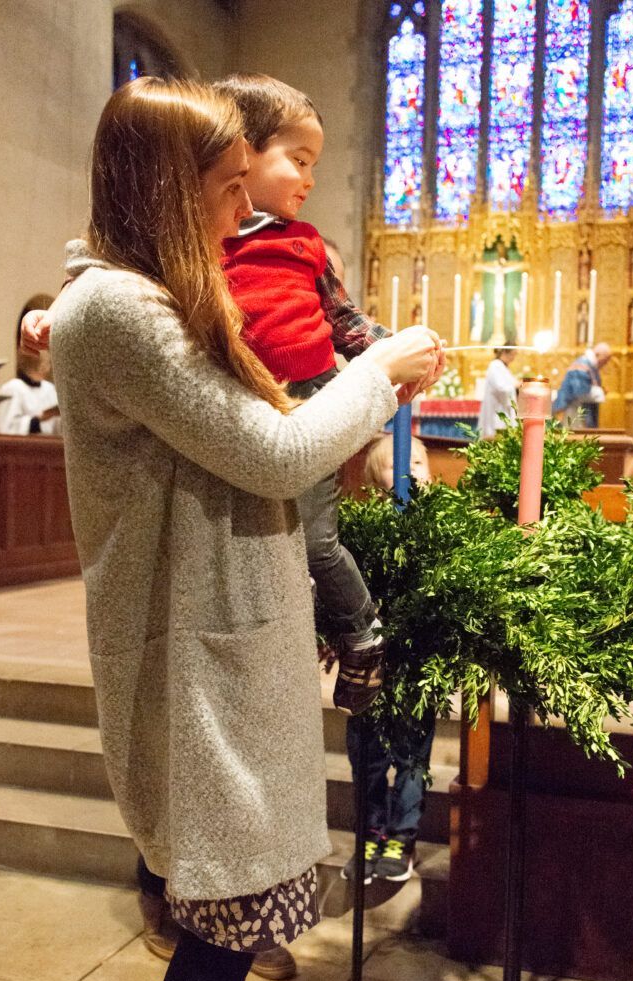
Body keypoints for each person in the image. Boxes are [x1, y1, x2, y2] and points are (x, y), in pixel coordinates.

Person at [47, 77, 441, 981]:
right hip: (192, 663)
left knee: (230, 916)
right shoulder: (118, 310)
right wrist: (377, 371)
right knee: (222, 929)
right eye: (227, 188)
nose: (243, 212)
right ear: (168, 188)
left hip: (221, 647)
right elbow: (271, 450)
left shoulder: (146, 295)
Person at [213, 73, 397, 717]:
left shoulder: (304, 241)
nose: (309, 178)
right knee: (260, 544)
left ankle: (362, 633)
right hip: (246, 403)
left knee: (316, 543)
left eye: (312, 163)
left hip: (313, 394)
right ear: (239, 153)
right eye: (298, 160)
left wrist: (394, 350)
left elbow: (346, 321)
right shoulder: (204, 241)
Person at [341, 433, 436, 884]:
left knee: (412, 754)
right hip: (370, 664)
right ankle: (370, 834)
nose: (413, 468)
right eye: (401, 462)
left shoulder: (436, 531)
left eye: (419, 461)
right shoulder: (360, 531)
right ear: (374, 477)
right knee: (368, 757)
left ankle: (403, 835)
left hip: (416, 665)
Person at [0, 352, 61, 435]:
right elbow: (7, 427)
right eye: (44, 362)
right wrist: (38, 420)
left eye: (48, 362)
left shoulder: (49, 388)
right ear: (30, 363)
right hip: (24, 444)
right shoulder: (13, 387)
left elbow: (56, 426)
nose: (47, 367)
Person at [551, 342, 612, 428]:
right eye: (605, 360)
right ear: (598, 354)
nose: (605, 364)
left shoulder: (591, 366)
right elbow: (580, 392)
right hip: (574, 411)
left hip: (582, 410)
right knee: (576, 437)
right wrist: (600, 392)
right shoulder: (581, 365)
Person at [478, 346, 519, 438]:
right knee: (494, 435)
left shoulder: (503, 367)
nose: (513, 358)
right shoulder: (495, 365)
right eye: (513, 354)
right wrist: (515, 386)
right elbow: (500, 387)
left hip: (503, 407)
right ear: (505, 352)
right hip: (497, 408)